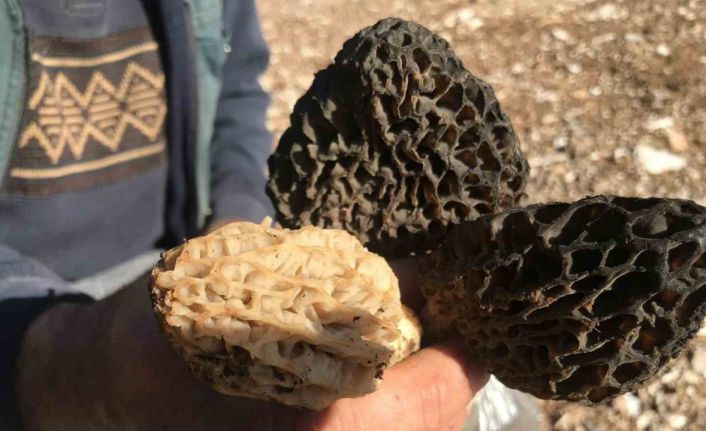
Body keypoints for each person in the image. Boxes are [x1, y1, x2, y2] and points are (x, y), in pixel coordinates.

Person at [0, 1, 486, 429]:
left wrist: (236, 221)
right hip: (29, 306)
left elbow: (235, 95)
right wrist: (50, 355)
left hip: (186, 264)